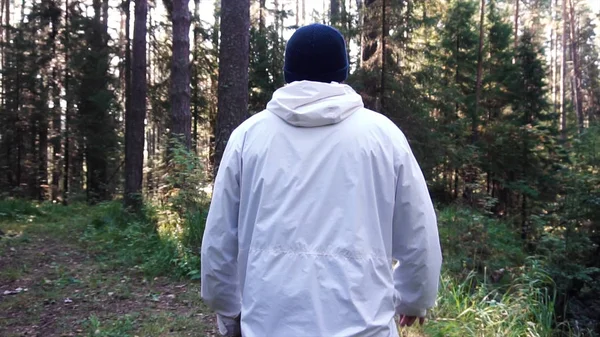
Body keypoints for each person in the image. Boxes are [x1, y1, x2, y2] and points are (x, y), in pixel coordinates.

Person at [200, 23, 442, 337]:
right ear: (342, 72)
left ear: (287, 72)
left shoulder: (248, 137)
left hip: (269, 326)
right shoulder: (383, 136)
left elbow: (219, 241)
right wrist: (414, 298)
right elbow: (418, 232)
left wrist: (228, 310)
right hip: (365, 328)